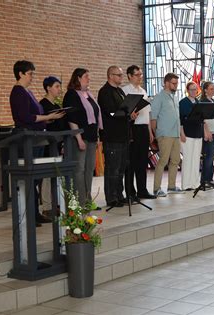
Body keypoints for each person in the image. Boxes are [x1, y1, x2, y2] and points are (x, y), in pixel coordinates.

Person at [9, 60, 65, 226]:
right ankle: (28, 214)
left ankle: (35, 212)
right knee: (30, 178)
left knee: (36, 179)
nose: (32, 77)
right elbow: (25, 117)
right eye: (30, 73)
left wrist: (48, 120)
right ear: (20, 74)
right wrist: (49, 117)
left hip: (38, 137)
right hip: (27, 138)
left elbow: (37, 115)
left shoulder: (28, 92)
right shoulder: (18, 92)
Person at [64, 68, 103, 209]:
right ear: (78, 78)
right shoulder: (71, 95)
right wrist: (79, 139)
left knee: (89, 169)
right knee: (79, 170)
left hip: (92, 137)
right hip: (80, 137)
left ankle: (87, 200)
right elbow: (71, 118)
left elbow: (95, 117)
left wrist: (98, 136)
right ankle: (80, 202)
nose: (89, 79)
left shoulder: (88, 94)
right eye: (86, 76)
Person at [98, 66, 130, 208]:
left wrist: (130, 113)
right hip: (112, 135)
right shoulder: (105, 92)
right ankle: (111, 197)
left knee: (122, 167)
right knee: (113, 168)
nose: (121, 78)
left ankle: (119, 194)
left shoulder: (120, 91)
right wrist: (127, 114)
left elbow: (124, 109)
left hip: (123, 135)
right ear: (110, 76)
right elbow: (111, 112)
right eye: (119, 75)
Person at [122, 65, 155, 199]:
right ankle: (130, 192)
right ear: (129, 76)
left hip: (143, 128)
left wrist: (150, 132)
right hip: (131, 128)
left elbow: (146, 113)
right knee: (131, 161)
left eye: (141, 75)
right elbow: (122, 112)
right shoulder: (124, 90)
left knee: (142, 162)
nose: (140, 77)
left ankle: (143, 190)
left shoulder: (143, 91)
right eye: (137, 75)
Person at [150, 73, 184, 197]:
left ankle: (171, 186)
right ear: (166, 83)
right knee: (163, 160)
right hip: (164, 134)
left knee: (175, 160)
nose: (176, 85)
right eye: (174, 83)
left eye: (177, 83)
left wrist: (180, 133)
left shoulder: (174, 97)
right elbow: (153, 118)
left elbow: (177, 117)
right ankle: (156, 188)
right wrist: (156, 133)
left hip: (175, 134)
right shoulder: (159, 97)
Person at [40, 76, 68, 215]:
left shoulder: (57, 106)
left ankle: (55, 203)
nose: (59, 89)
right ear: (48, 88)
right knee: (46, 176)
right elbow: (42, 124)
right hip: (46, 145)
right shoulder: (42, 105)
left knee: (55, 176)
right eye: (57, 86)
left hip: (56, 144)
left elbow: (61, 126)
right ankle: (47, 206)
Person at [179, 82, 203, 191]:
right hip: (187, 134)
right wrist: (182, 133)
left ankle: (195, 183)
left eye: (195, 89)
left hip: (198, 134)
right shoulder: (183, 103)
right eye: (191, 89)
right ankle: (186, 184)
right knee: (188, 159)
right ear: (187, 90)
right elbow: (180, 120)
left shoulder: (198, 102)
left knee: (196, 159)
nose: (194, 91)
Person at [200, 81, 214, 187]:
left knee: (211, 156)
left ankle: (209, 178)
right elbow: (203, 119)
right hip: (210, 132)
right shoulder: (203, 102)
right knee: (208, 157)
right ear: (205, 90)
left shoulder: (213, 100)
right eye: (211, 89)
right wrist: (206, 131)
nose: (213, 90)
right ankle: (205, 180)